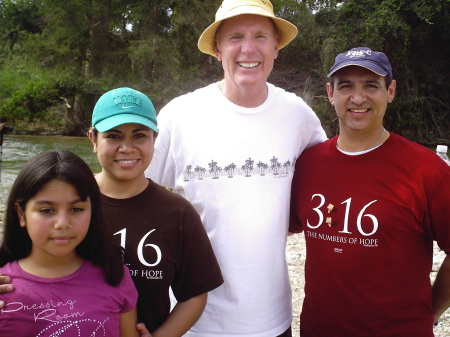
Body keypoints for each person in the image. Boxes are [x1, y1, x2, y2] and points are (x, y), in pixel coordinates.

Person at [145, 0, 327, 336]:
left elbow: (329, 183)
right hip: (192, 322)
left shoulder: (298, 115)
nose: (248, 48)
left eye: (260, 36)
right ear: (216, 49)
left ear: (276, 48)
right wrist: (35, 266)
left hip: (273, 320)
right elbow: (125, 197)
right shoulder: (178, 116)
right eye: (235, 37)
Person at [289, 47, 450, 336]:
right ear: (330, 93)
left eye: (371, 86)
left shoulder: (427, 170)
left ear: (390, 91)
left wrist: (432, 311)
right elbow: (281, 226)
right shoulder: (307, 165)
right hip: (318, 329)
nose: (358, 98)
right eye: (346, 86)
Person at [87, 87, 223, 336]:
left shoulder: (177, 212)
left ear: (154, 139)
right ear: (93, 140)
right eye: (114, 136)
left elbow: (194, 294)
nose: (127, 148)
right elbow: (24, 265)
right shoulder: (71, 202)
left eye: (139, 136)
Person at [0, 149, 139, 336]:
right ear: (21, 214)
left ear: (93, 211)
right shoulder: (3, 285)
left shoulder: (114, 275)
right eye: (47, 210)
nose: (63, 224)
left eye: (76, 209)